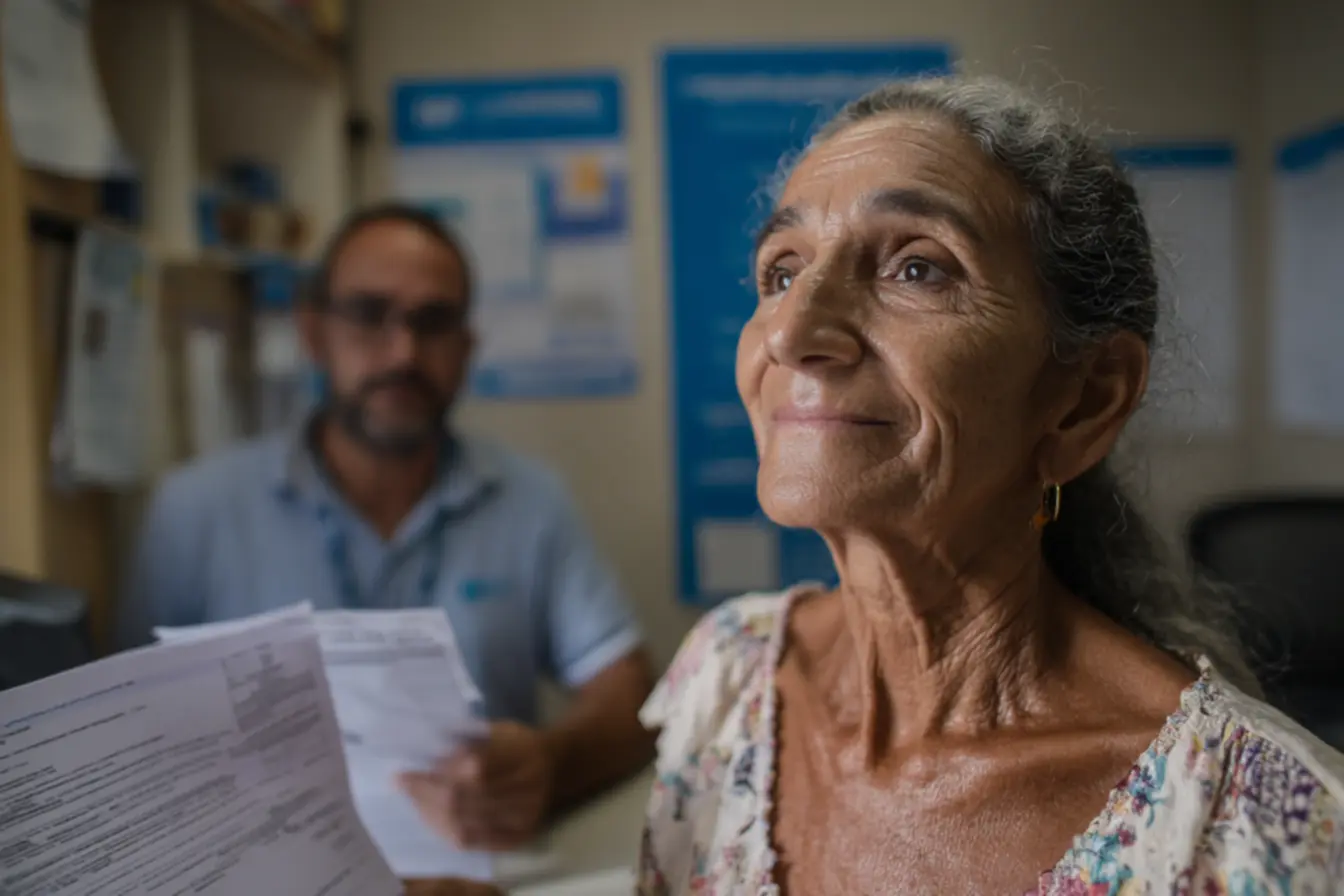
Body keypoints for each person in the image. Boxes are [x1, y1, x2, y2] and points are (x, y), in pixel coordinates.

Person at [638, 76, 1344, 895]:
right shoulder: (726, 682)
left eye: (916, 268)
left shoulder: (1250, 829)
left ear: (1083, 400)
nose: (793, 332)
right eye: (781, 271)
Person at [122, 203, 655, 865]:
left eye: (433, 322)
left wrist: (550, 763)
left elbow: (630, 697)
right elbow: (127, 737)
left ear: (465, 349)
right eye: (371, 314)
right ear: (314, 333)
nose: (403, 351)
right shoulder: (194, 510)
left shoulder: (529, 501)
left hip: (470, 880)